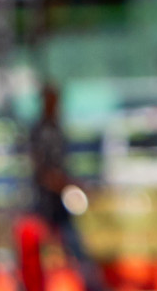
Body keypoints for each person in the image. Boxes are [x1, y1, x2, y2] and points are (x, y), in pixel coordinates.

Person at [26, 85, 105, 291]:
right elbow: (43, 172)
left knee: (76, 250)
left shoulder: (57, 129)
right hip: (43, 204)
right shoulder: (40, 132)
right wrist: (69, 184)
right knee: (39, 253)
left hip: (60, 204)